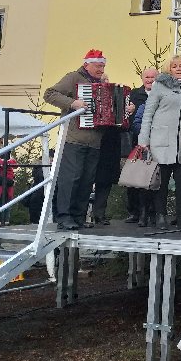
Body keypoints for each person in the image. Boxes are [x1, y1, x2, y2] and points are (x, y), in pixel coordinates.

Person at [44, 49, 131, 230]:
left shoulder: (102, 85)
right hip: (74, 139)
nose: (101, 70)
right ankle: (64, 217)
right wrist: (72, 103)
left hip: (95, 141)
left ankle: (79, 216)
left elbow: (111, 114)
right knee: (71, 178)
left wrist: (125, 109)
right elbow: (50, 94)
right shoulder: (74, 78)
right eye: (98, 66)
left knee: (86, 180)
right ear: (86, 65)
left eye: (103, 66)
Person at [138, 55, 181, 230]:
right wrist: (144, 139)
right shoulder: (159, 86)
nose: (179, 69)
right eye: (174, 66)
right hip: (161, 140)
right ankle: (160, 215)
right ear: (169, 69)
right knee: (161, 182)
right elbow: (148, 114)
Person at [125, 67, 158, 226]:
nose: (150, 80)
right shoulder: (133, 95)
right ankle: (135, 212)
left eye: (153, 77)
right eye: (147, 77)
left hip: (159, 144)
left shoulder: (163, 95)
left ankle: (153, 213)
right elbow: (130, 119)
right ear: (142, 78)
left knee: (154, 180)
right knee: (136, 179)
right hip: (138, 143)